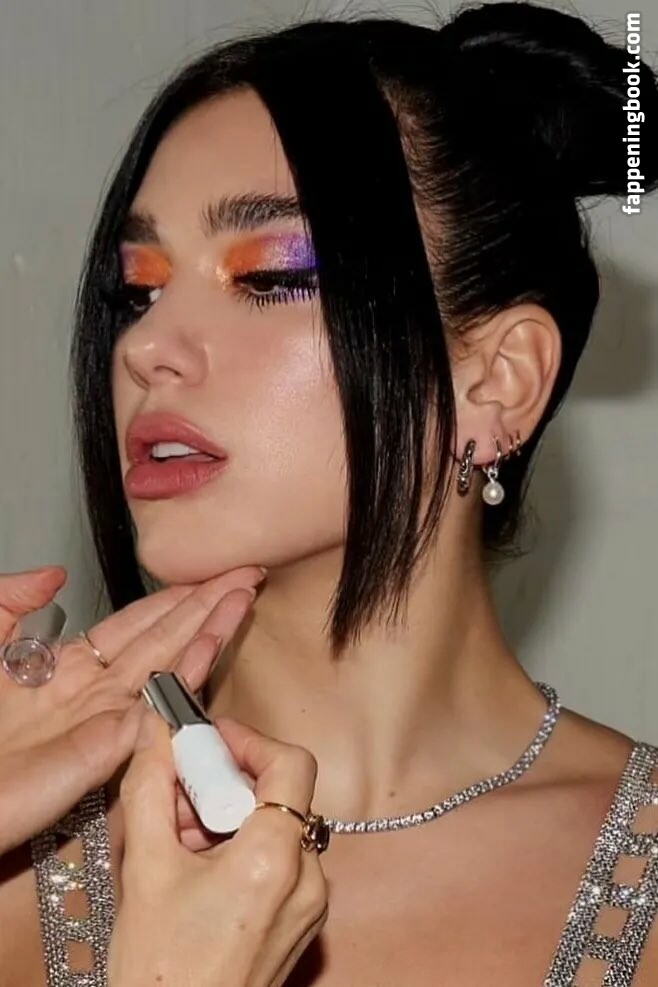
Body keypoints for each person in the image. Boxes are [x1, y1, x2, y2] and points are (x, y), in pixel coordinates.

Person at [1, 1, 657, 984]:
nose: (147, 346)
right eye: (138, 290)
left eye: (268, 276)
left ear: (497, 381)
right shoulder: (17, 860)